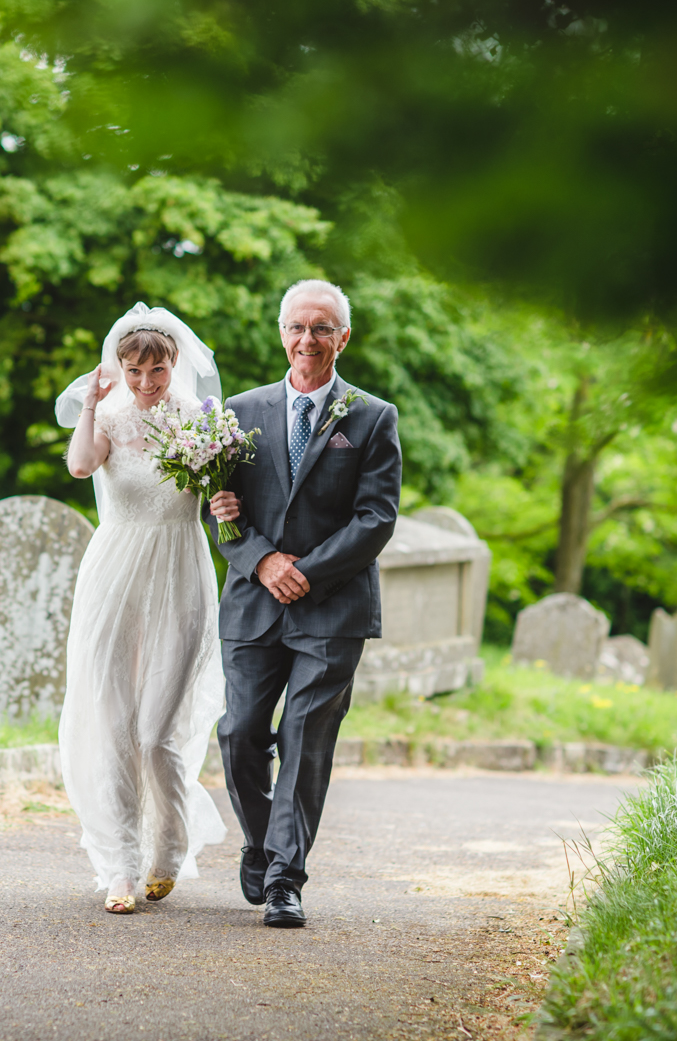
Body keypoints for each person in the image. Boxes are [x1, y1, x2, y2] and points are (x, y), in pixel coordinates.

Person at [208, 279, 401, 929]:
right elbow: (222, 512)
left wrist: (306, 573)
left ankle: (287, 876)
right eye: (297, 327)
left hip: (333, 606)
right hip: (252, 602)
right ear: (281, 333)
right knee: (238, 733)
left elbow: (376, 518)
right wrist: (262, 559)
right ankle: (260, 842)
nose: (307, 340)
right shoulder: (238, 410)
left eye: (322, 328)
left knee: (304, 736)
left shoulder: (373, 417)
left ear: (343, 337)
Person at [54, 303, 235, 914]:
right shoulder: (108, 415)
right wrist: (90, 404)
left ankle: (170, 846)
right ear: (120, 369)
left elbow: (222, 497)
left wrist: (224, 505)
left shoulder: (202, 421)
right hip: (114, 576)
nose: (145, 383)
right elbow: (80, 465)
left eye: (155, 371)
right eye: (134, 372)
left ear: (172, 364)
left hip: (180, 573)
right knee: (114, 724)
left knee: (157, 730)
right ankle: (122, 869)